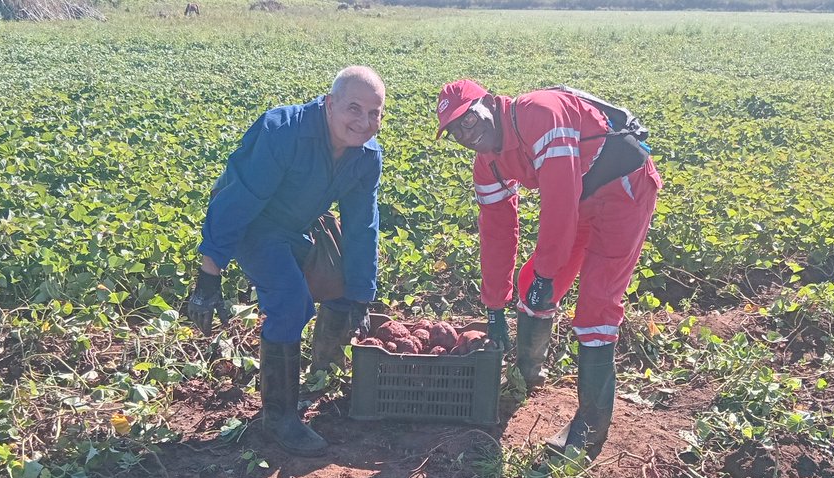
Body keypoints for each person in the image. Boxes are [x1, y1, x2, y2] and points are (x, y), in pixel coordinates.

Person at [434, 79, 662, 457]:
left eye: (468, 121)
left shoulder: (540, 114)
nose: (465, 134)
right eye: (455, 131)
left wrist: (547, 272)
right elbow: (496, 231)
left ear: (489, 103)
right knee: (530, 288)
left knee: (595, 306)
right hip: (582, 200)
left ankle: (590, 428)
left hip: (624, 191)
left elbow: (559, 202)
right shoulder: (487, 162)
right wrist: (495, 304)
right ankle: (527, 376)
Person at [187, 66, 386, 457]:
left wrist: (363, 294)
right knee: (291, 304)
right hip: (253, 224)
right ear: (329, 104)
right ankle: (279, 416)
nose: (364, 122)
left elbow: (363, 225)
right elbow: (237, 201)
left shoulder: (366, 157)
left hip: (299, 223)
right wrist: (209, 274)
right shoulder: (283, 131)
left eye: (375, 113)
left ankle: (321, 372)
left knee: (344, 280)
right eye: (354, 109)